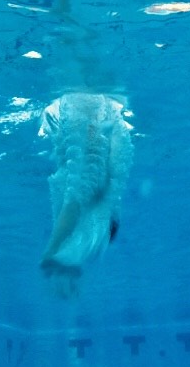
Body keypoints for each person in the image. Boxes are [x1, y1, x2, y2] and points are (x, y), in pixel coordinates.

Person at [39, 93, 133, 296]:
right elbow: (74, 206)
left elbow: (73, 206)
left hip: (85, 122)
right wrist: (54, 253)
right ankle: (60, 261)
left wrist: (56, 255)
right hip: (87, 124)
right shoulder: (98, 193)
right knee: (80, 195)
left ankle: (61, 261)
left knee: (79, 194)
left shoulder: (99, 193)